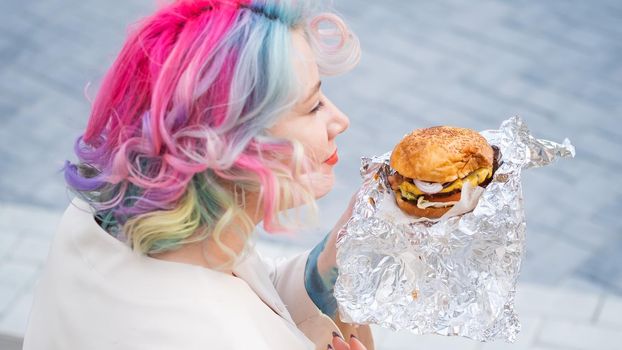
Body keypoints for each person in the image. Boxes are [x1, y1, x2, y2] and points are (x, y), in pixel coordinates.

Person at [23, 0, 372, 349]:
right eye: (313, 106)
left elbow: (248, 299)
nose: (341, 120)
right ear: (230, 147)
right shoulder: (215, 337)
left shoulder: (90, 221)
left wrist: (332, 262)